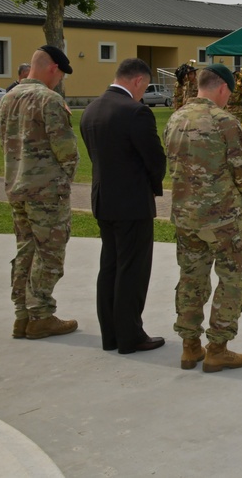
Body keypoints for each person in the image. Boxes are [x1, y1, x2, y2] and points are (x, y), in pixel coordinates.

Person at [163, 64, 242, 372]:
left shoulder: (175, 118)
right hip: (222, 217)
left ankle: (190, 347)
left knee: (191, 278)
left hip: (185, 216)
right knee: (234, 277)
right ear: (223, 89)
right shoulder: (225, 122)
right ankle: (217, 348)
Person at [79, 58, 167, 354]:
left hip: (103, 198)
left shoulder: (91, 109)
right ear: (139, 81)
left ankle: (112, 335)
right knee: (132, 270)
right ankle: (131, 336)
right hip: (131, 202)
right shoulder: (136, 112)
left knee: (110, 266)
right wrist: (154, 184)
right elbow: (155, 159)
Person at [0, 45, 79, 340]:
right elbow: (67, 150)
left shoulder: (6, 99)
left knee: (25, 250)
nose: (59, 80)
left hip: (16, 186)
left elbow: (4, 142)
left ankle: (22, 315)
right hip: (45, 191)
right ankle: (41, 315)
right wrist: (65, 179)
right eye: (60, 74)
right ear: (53, 68)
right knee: (50, 253)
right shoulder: (49, 100)